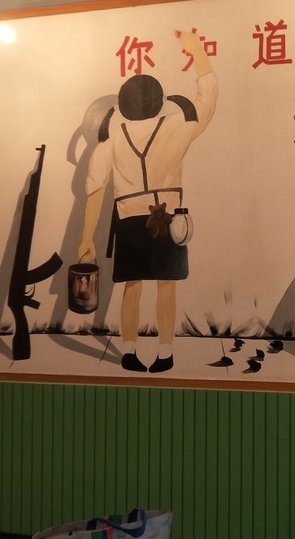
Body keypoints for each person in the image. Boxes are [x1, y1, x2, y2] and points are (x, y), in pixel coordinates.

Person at [78, 31, 218, 372]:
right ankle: (165, 352)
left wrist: (86, 239)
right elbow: (207, 99)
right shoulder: (176, 125)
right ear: (161, 101)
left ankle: (128, 350)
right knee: (167, 286)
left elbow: (95, 189)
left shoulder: (112, 138)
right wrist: (197, 51)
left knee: (132, 286)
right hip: (169, 220)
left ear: (122, 106)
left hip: (129, 220)